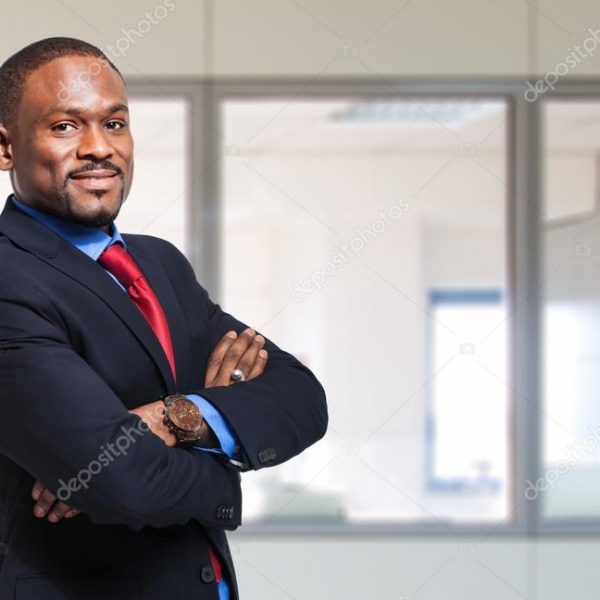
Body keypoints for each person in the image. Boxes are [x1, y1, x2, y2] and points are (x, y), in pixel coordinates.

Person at [0, 37, 328, 600]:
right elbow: (119, 481)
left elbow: (301, 396)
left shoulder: (158, 264)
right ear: (6, 148)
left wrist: (172, 418)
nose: (99, 148)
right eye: (65, 126)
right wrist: (222, 453)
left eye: (116, 123)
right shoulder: (8, 276)